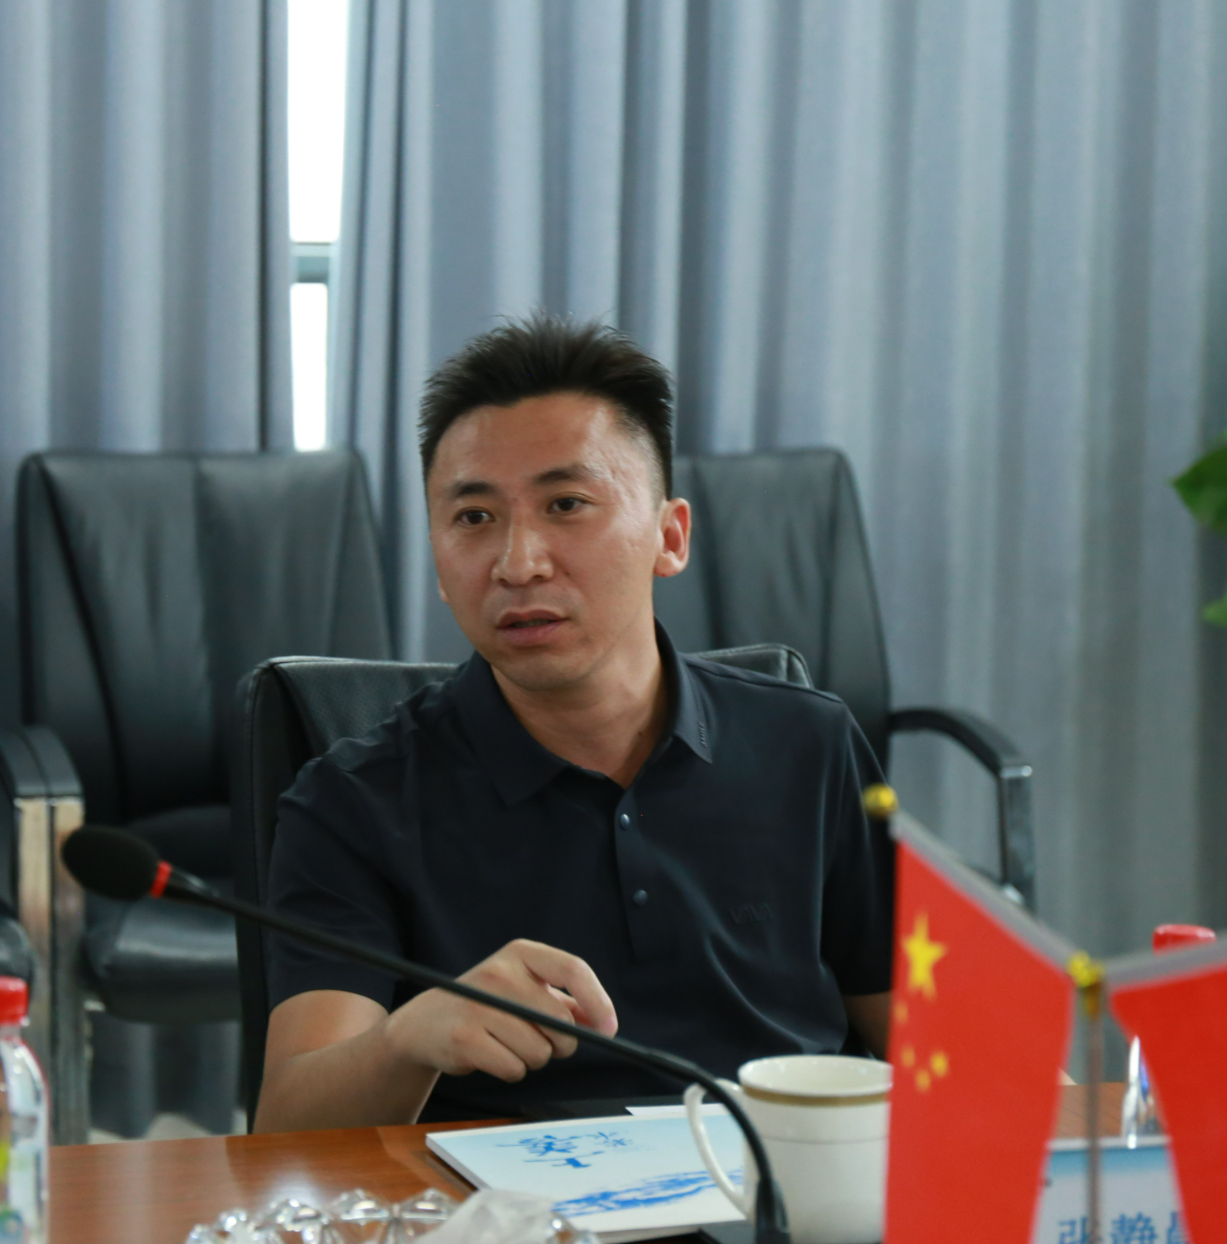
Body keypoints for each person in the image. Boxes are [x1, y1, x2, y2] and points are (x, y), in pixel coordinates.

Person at [254, 315, 894, 1132]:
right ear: (439, 563)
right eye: (474, 518)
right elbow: (288, 1131)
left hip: (784, 1180)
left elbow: (936, 1048)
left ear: (669, 536)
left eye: (567, 504)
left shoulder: (810, 745)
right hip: (503, 1194)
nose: (519, 563)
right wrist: (407, 1041)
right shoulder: (354, 800)